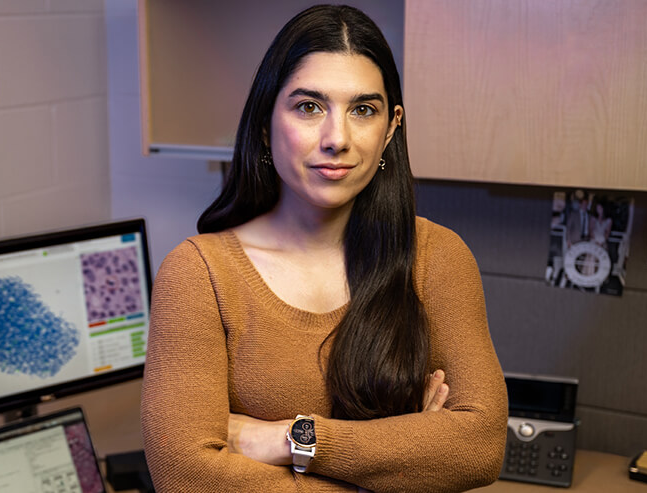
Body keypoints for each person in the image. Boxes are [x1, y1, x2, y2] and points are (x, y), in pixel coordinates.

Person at [140, 5, 508, 492]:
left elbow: (480, 447)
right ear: (266, 124)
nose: (337, 139)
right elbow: (186, 476)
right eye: (309, 107)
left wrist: (291, 440)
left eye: (363, 110)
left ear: (392, 127)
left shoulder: (437, 257)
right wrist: (401, 463)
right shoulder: (199, 274)